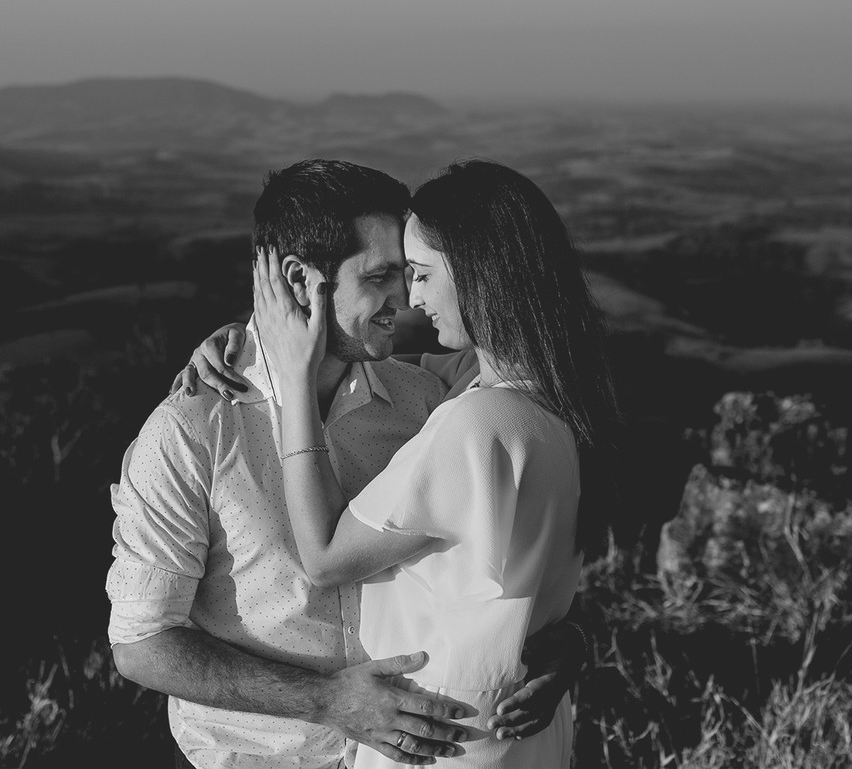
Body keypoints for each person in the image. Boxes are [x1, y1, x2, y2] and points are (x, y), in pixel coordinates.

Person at [107, 159, 584, 769]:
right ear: (299, 279)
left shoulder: (424, 402)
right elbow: (142, 645)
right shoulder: (192, 431)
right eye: (383, 276)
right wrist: (328, 702)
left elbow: (500, 560)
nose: (404, 299)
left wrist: (563, 640)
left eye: (411, 274)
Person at [247, 159, 619, 768]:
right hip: (509, 735)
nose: (413, 298)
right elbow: (398, 370)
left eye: (420, 274)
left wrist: (289, 376)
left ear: (477, 275)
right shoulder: (547, 395)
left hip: (440, 738)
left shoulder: (476, 426)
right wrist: (245, 342)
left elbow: (323, 557)